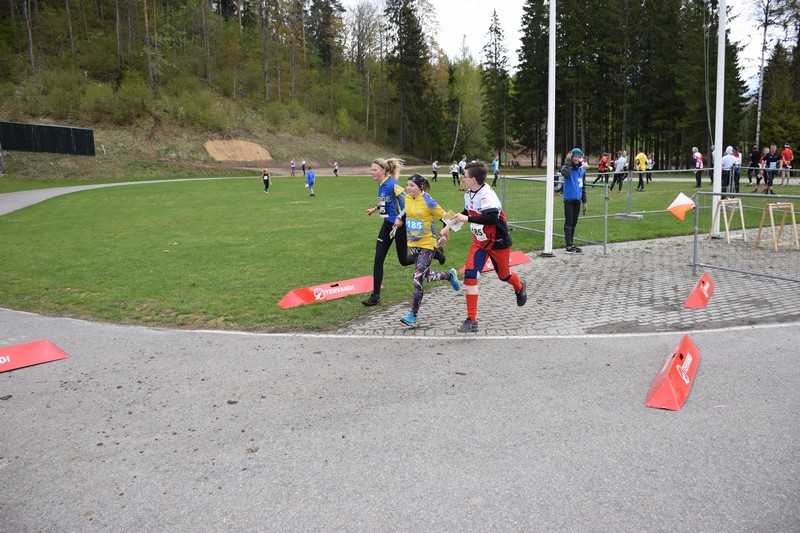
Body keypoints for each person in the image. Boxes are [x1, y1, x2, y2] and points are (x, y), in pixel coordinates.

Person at [439, 160, 527, 333]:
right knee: (470, 275)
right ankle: (472, 320)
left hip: (498, 242)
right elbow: (466, 213)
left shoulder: (487, 195)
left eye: (465, 176)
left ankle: (520, 286)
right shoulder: (469, 193)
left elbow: (492, 218)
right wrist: (448, 226)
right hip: (479, 242)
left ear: (473, 179)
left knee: (504, 275)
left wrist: (468, 219)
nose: (462, 178)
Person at [362, 158, 443, 307]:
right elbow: (386, 202)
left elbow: (407, 202)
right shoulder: (381, 185)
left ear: (383, 171)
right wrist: (375, 208)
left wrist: (400, 218)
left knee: (404, 260)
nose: (371, 172)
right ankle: (375, 296)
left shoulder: (393, 185)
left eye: (374, 170)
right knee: (378, 259)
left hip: (399, 227)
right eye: (371, 169)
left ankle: (435, 252)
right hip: (387, 225)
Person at [393, 173, 460, 327]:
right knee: (427, 277)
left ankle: (412, 316)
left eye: (412, 185)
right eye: (407, 185)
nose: (408, 188)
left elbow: (445, 216)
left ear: (420, 187)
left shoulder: (428, 200)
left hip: (428, 245)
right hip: (414, 245)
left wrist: (447, 231)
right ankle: (449, 276)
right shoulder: (407, 199)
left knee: (417, 278)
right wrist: (399, 218)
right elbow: (406, 211)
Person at [561, 148, 588, 254]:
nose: (576, 158)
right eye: (575, 156)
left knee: (574, 222)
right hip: (569, 199)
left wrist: (584, 200)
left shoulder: (581, 170)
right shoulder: (566, 167)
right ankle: (568, 246)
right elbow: (565, 174)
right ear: (571, 157)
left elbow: (583, 185)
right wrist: (568, 163)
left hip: (577, 199)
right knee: (568, 222)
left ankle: (571, 243)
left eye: (578, 156)